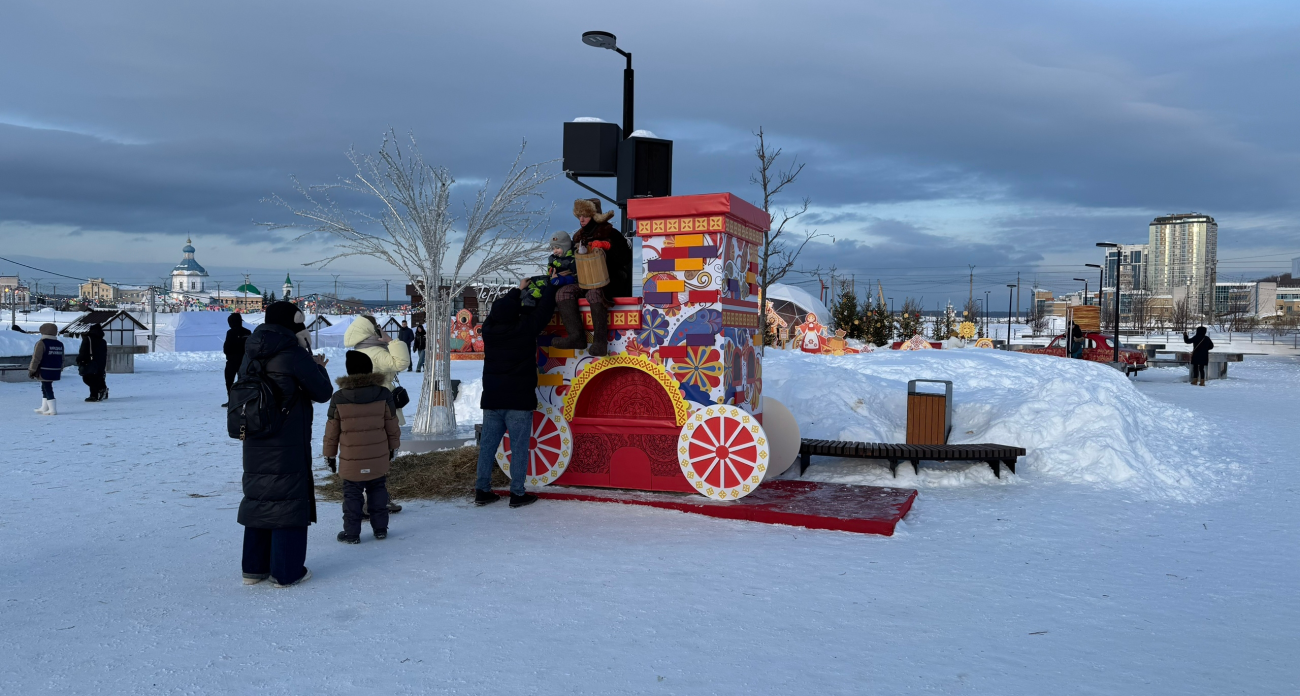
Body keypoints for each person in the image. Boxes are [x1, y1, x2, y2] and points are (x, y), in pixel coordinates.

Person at [237, 301, 334, 588]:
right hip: (287, 438)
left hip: (255, 435)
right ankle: (286, 570)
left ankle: (253, 569)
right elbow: (322, 392)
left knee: (260, 496)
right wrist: (315, 365)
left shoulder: (251, 351)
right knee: (289, 499)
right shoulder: (292, 352)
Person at [474, 278, 557, 508]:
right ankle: (517, 494)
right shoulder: (525, 328)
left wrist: (516, 292)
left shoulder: (488, 330)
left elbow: (496, 311)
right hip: (518, 400)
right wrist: (551, 284)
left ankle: (482, 491)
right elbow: (546, 308)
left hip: (492, 399)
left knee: (488, 447)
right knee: (519, 448)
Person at [323, 351, 400, 543]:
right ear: (369, 370)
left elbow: (332, 430)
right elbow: (392, 424)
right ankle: (380, 529)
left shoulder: (339, 397)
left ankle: (352, 533)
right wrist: (393, 448)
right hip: (378, 456)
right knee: (378, 491)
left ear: (349, 372)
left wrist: (329, 455)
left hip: (351, 459)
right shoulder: (383, 394)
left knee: (352, 496)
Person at [551, 198, 632, 356]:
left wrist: (608, 246)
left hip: (610, 280)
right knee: (563, 293)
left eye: (585, 216)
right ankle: (576, 336)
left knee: (594, 293)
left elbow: (625, 258)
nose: (581, 219)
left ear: (595, 215)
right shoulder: (579, 237)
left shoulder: (611, 233)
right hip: (586, 280)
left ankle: (600, 342)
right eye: (579, 216)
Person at [343, 315, 411, 424]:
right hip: (383, 399)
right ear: (371, 329)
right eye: (377, 326)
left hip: (366, 400)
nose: (380, 329)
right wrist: (390, 340)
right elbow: (401, 363)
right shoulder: (376, 352)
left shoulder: (359, 350)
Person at [28, 323, 64, 416]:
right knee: (45, 386)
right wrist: (60, 369)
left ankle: (52, 409)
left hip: (44, 369)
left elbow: (36, 358)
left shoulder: (41, 343)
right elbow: (62, 358)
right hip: (55, 369)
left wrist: (32, 369)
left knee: (47, 387)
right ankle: (44, 407)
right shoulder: (59, 344)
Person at [222, 313, 252, 407]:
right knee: (243, 381)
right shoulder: (248, 332)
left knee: (229, 381)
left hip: (232, 361)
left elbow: (226, 348)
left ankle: (231, 400)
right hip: (245, 361)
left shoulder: (230, 333)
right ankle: (243, 399)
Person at [76, 323, 109, 402]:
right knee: (98, 377)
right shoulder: (103, 341)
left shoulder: (88, 339)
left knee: (87, 378)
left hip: (89, 362)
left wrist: (79, 360)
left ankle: (94, 395)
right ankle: (103, 390)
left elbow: (83, 351)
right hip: (100, 363)